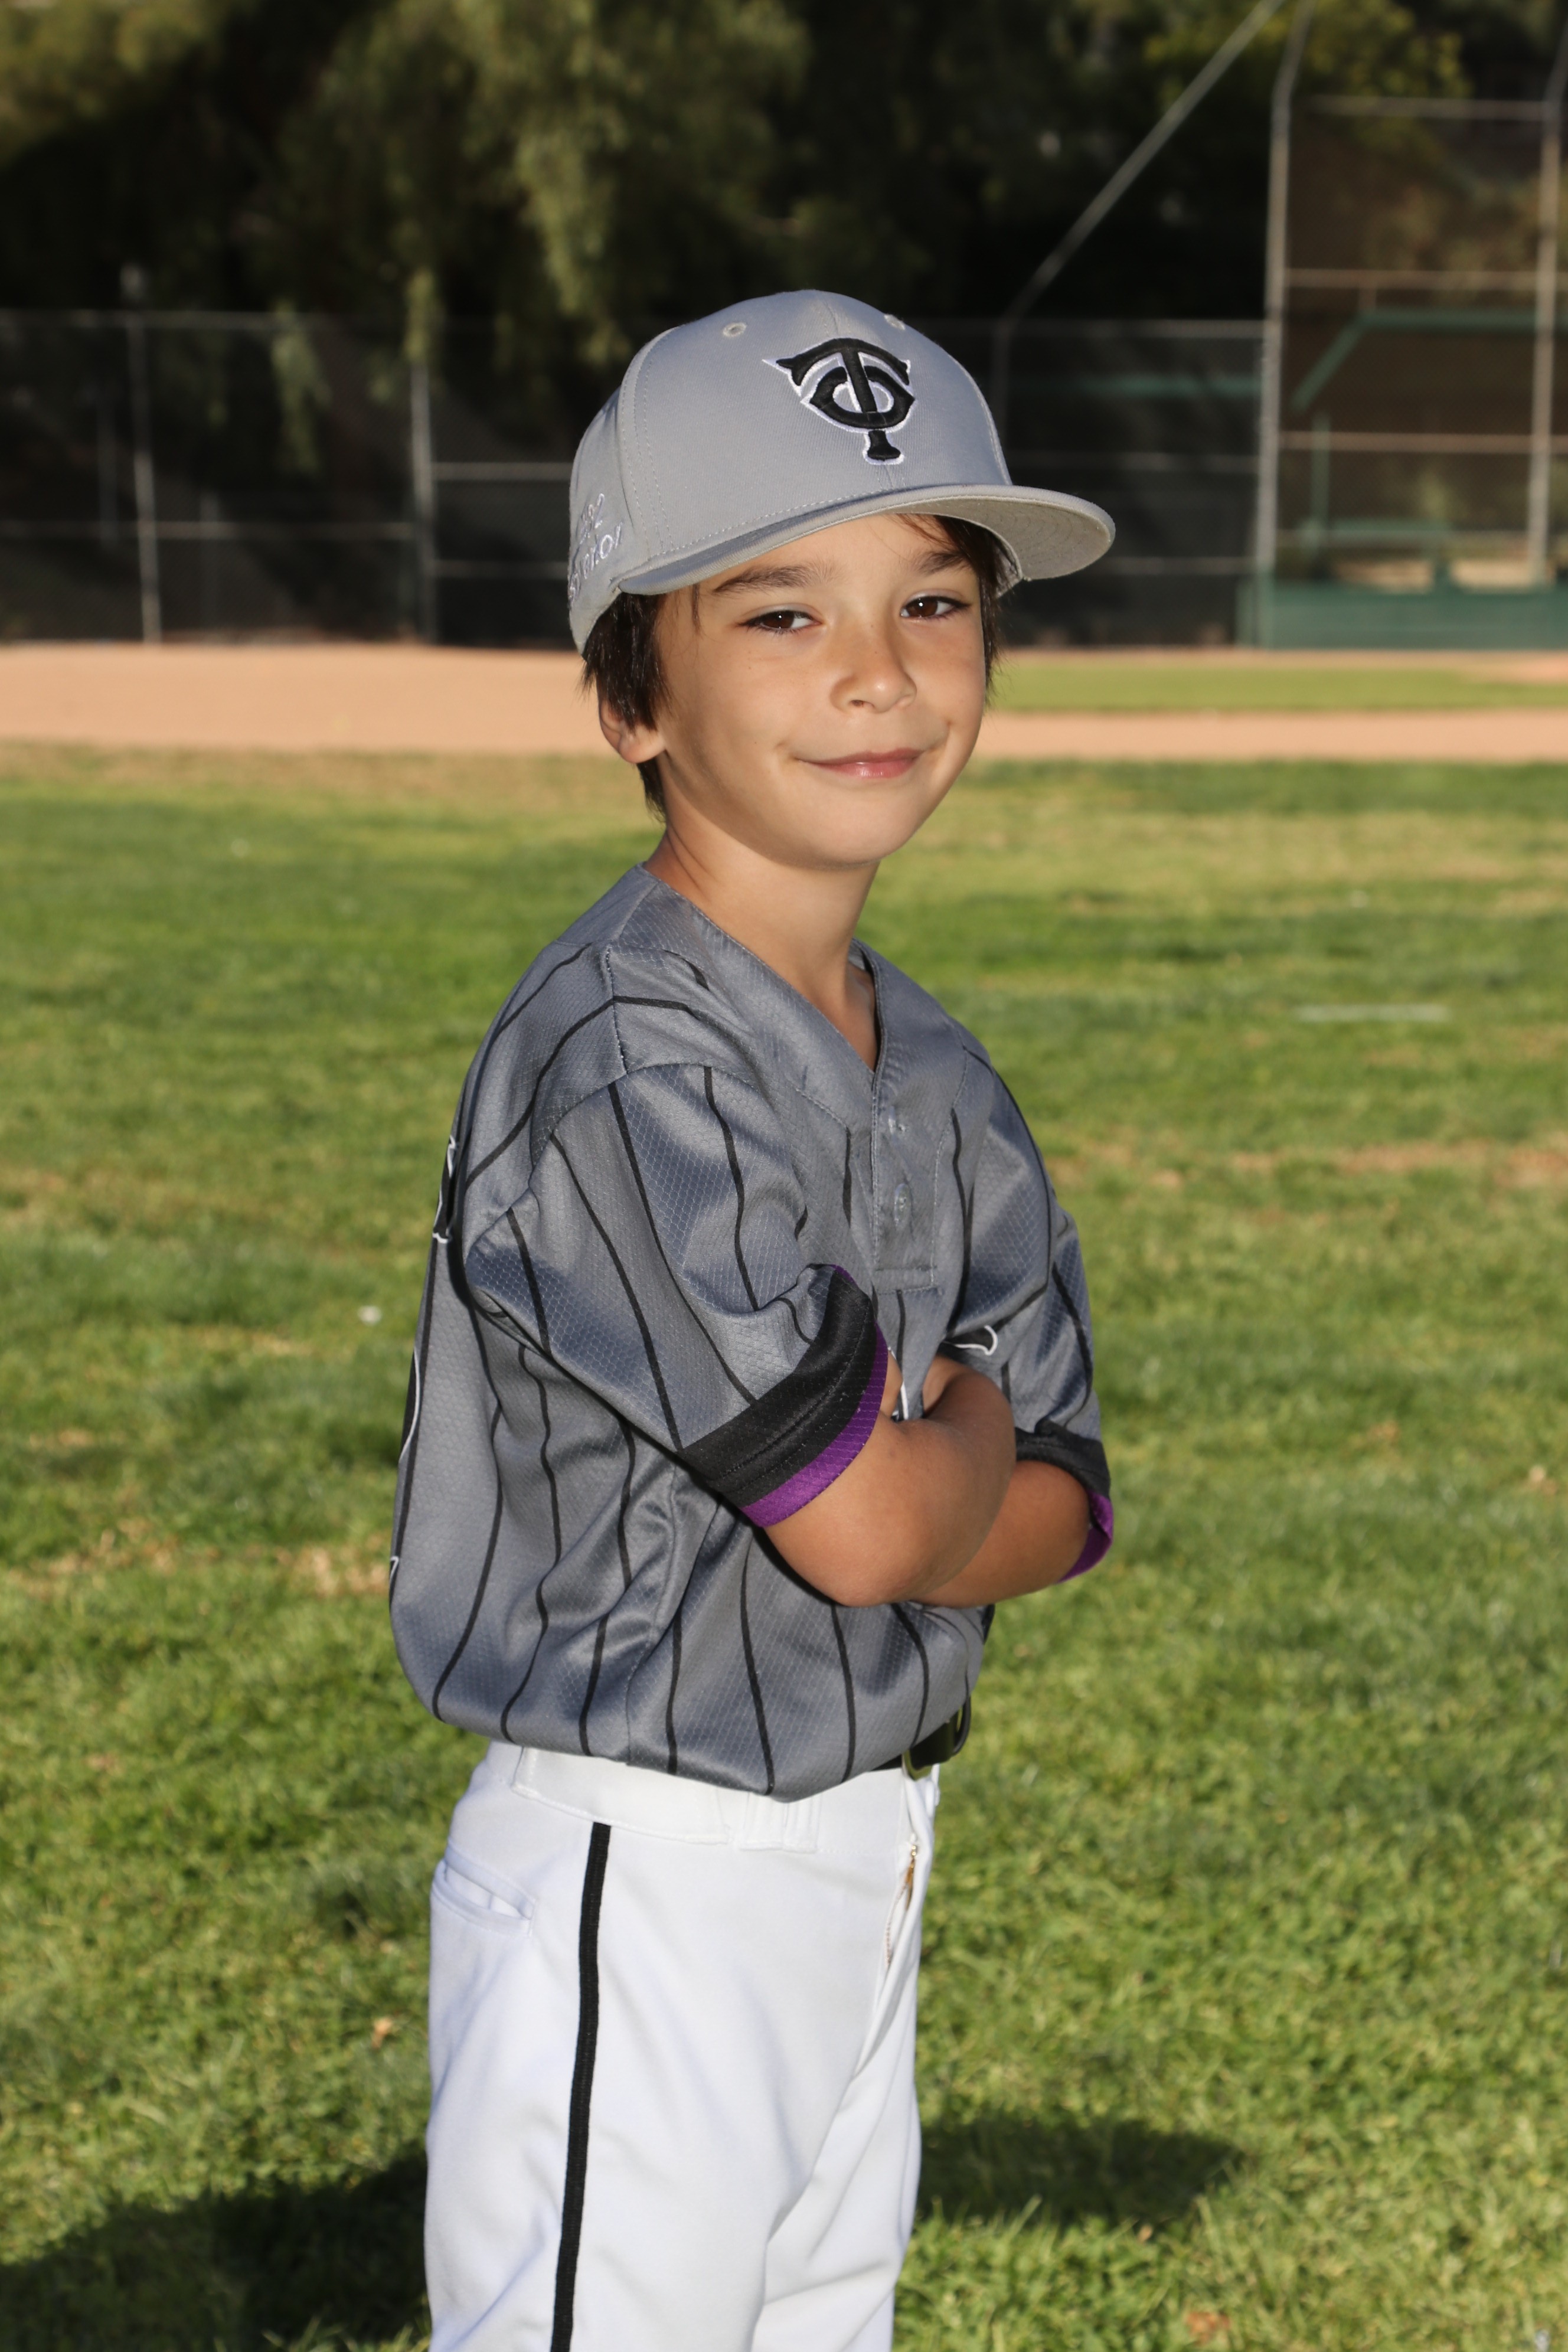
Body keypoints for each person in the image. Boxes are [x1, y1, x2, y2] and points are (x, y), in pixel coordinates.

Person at [389, 289, 1115, 2352]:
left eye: (934, 602)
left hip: (868, 1867)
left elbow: (1073, 1504)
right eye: (782, 612)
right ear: (636, 695)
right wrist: (954, 1447)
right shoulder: (625, 1060)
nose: (879, 671)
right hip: (652, 1875)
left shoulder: (939, 1075)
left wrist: (947, 1458)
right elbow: (882, 1530)